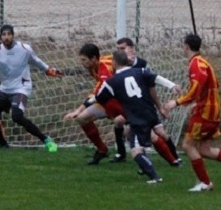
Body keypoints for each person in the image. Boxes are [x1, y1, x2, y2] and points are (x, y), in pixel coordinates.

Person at [162, 34, 221, 192]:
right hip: (210, 109)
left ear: (186, 46)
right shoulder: (202, 62)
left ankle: (205, 183)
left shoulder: (196, 64)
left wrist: (176, 103)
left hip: (205, 112)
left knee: (187, 145)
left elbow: (196, 88)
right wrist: (196, 102)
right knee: (204, 149)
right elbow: (211, 86)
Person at [0, 25, 61, 152]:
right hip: (5, 89)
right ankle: (2, 144)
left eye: (9, 34)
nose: (6, 37)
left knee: (17, 116)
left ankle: (46, 140)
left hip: (21, 88)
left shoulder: (25, 49)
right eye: (4, 34)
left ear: (13, 35)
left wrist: (48, 70)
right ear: (0, 37)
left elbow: (37, 61)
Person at [94, 50, 179, 183]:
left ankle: (155, 177)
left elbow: (99, 97)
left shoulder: (112, 81)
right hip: (150, 112)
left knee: (135, 150)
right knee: (144, 137)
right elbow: (156, 78)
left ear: (114, 63)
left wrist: (87, 105)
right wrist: (172, 85)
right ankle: (171, 160)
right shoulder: (141, 71)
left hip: (137, 118)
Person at [117, 37, 181, 166]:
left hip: (146, 107)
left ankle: (175, 158)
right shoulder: (119, 66)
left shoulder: (142, 65)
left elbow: (152, 86)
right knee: (123, 126)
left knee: (159, 133)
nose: (120, 51)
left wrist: (159, 107)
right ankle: (125, 155)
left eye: (122, 48)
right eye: (118, 49)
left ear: (131, 49)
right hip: (132, 108)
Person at [64, 43, 128, 164]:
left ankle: (160, 151)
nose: (82, 63)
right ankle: (102, 149)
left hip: (123, 101)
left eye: (84, 60)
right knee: (82, 118)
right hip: (107, 100)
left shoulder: (104, 69)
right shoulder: (95, 65)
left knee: (140, 129)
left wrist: (78, 110)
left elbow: (98, 92)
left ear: (93, 58)